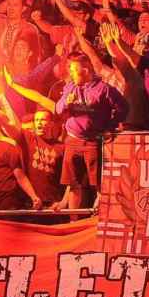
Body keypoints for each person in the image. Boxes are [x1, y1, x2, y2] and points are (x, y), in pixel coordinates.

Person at [54, 53, 128, 211]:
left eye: (74, 69)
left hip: (93, 142)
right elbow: (58, 109)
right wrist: (66, 102)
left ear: (86, 70)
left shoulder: (104, 89)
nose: (71, 73)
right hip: (72, 141)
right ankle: (72, 223)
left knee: (99, 185)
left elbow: (124, 108)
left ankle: (98, 223)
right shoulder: (70, 87)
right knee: (73, 184)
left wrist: (110, 126)